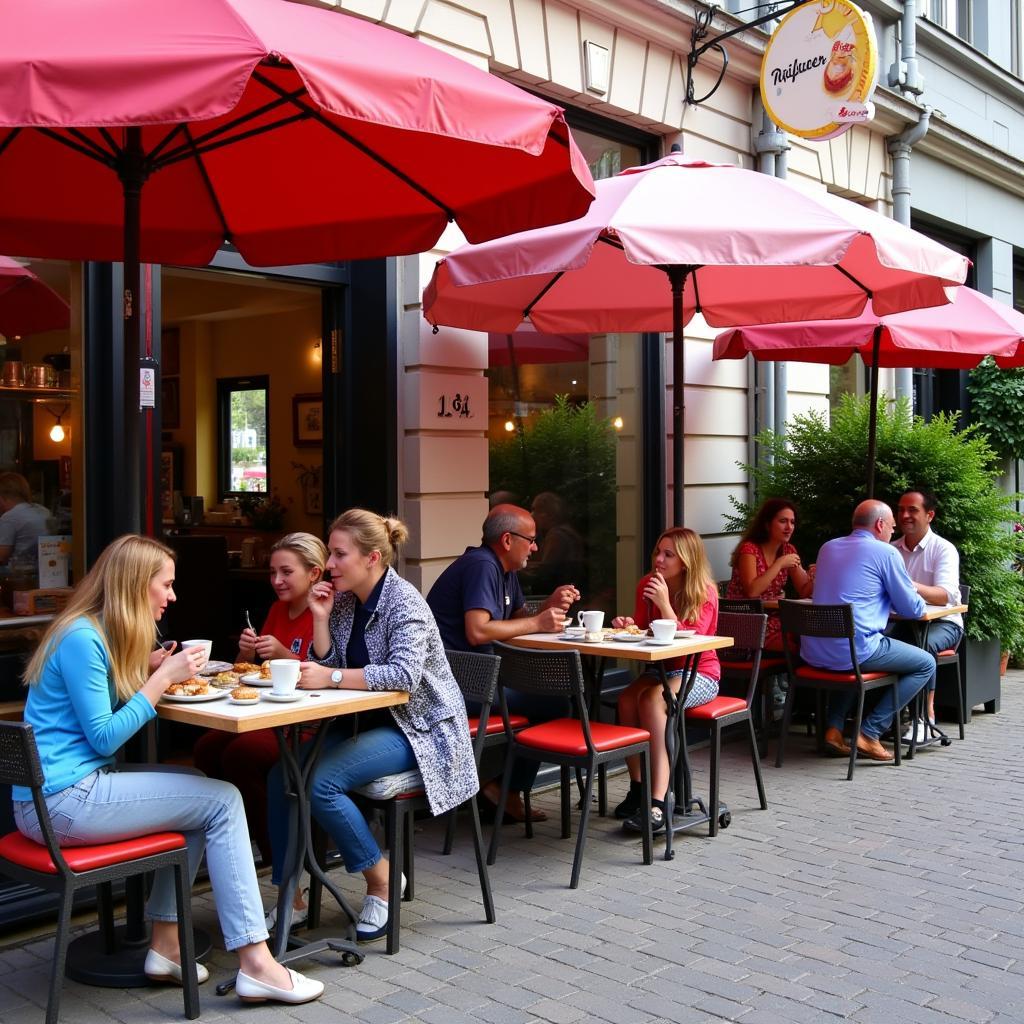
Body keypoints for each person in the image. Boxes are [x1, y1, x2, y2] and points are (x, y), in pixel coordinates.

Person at [14, 535, 323, 1005]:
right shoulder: (83, 638)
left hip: (55, 798)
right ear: (137, 587)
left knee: (201, 790)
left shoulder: (85, 631)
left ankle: (166, 946)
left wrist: (144, 670)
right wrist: (160, 679)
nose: (172, 596)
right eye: (166, 585)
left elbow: (92, 712)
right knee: (224, 800)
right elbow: (104, 737)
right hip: (63, 804)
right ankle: (258, 963)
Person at [266, 510, 477, 942]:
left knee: (321, 783)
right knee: (281, 775)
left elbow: (403, 676)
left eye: (339, 555)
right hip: (365, 722)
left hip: (420, 730)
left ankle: (381, 880)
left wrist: (333, 677)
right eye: (331, 554)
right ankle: (295, 896)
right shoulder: (344, 601)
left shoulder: (405, 603)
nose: (330, 565)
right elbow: (330, 665)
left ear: (373, 558)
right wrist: (320, 618)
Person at [192, 532, 327, 926]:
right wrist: (247, 652)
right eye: (273, 572)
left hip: (302, 725)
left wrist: (283, 655)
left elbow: (319, 670)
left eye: (286, 572)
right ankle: (243, 833)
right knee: (206, 750)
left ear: (313, 572)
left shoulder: (322, 612)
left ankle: (286, 879)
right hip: (267, 715)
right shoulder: (275, 610)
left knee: (241, 754)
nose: (277, 580)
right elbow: (246, 672)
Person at [426, 504, 580, 823]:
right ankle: (504, 791)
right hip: (455, 686)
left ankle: (501, 788)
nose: (535, 547)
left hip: (480, 678)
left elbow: (516, 619)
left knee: (550, 701)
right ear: (508, 540)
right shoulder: (482, 565)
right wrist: (539, 623)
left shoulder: (505, 570)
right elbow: (478, 630)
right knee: (555, 705)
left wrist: (548, 606)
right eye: (532, 539)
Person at [805, 500, 934, 762]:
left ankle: (833, 729)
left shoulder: (827, 548)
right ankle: (870, 732)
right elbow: (913, 609)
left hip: (814, 651)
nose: (892, 534)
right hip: (854, 651)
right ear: (879, 524)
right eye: (892, 528)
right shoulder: (885, 553)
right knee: (926, 663)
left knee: (852, 653)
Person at [612, 527, 720, 834]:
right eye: (658, 552)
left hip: (700, 672)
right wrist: (629, 624)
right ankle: (637, 788)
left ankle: (659, 802)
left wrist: (665, 603)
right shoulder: (647, 584)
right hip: (660, 669)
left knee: (653, 700)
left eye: (668, 554)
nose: (659, 559)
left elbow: (691, 641)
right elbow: (647, 631)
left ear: (685, 561)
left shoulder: (704, 590)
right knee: (625, 700)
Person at [890, 489, 963, 741]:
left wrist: (908, 585)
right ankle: (878, 716)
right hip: (903, 621)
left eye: (912, 510)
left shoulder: (943, 549)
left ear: (929, 515)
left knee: (920, 647)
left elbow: (945, 595)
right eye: (900, 510)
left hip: (945, 623)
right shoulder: (890, 549)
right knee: (871, 642)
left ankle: (924, 718)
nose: (905, 515)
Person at [726, 497, 813, 649]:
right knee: (803, 646)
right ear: (767, 524)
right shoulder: (749, 550)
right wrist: (779, 564)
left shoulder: (788, 550)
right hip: (748, 623)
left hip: (775, 619)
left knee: (813, 636)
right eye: (783, 521)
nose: (789, 527)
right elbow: (752, 591)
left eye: (792, 522)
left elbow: (804, 591)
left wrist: (815, 577)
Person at [0, 471, 51, 569]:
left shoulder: (9, 517)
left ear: (2, 498)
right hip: (43, 570)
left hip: (18, 573)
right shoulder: (44, 511)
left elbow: (2, 557)